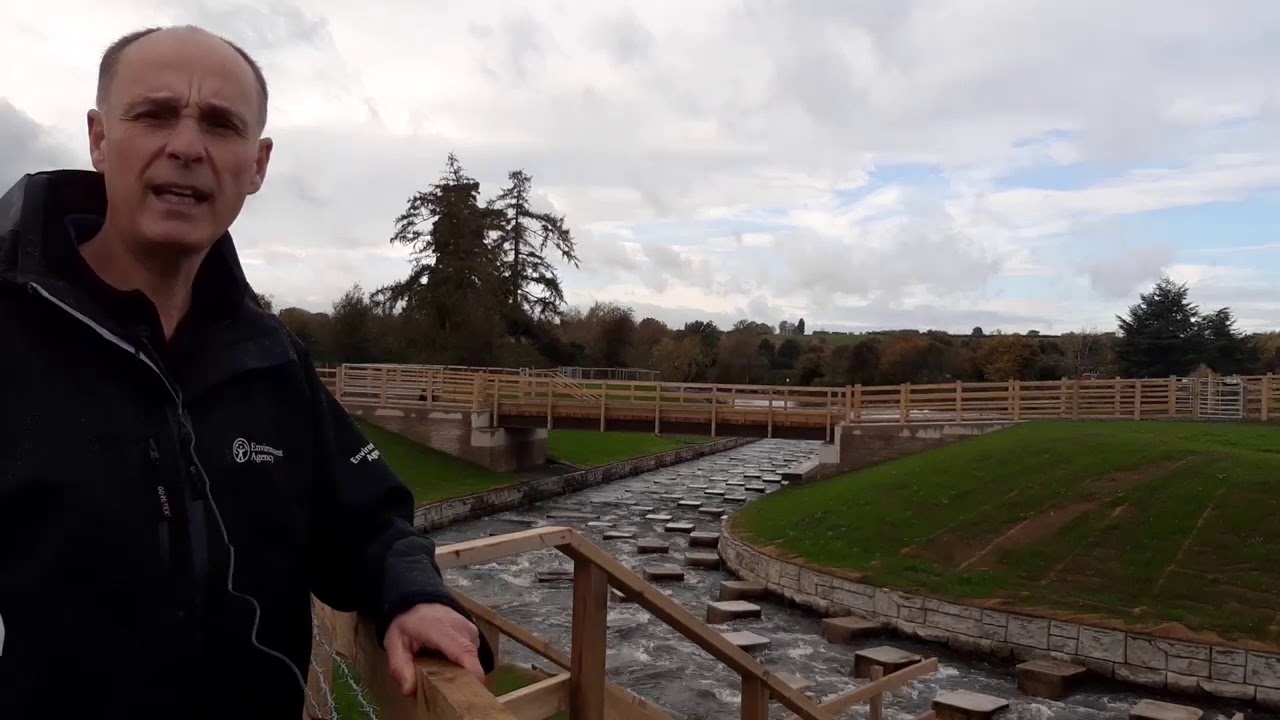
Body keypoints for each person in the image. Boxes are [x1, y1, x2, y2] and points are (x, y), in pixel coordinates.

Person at [0, 25, 492, 718]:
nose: (188, 146)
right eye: (155, 113)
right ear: (98, 138)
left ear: (256, 165)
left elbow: (369, 520)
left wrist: (412, 593)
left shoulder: (271, 359)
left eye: (221, 125)